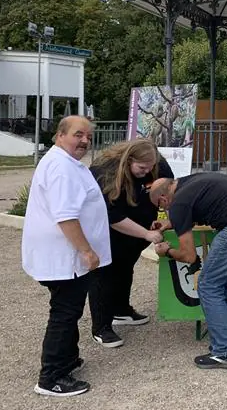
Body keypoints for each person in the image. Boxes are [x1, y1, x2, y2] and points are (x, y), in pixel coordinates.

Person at [21, 116, 111, 397]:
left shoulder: (65, 162)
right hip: (65, 256)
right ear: (60, 135)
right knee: (64, 313)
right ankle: (51, 377)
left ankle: (67, 360)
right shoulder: (61, 167)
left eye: (88, 137)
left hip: (65, 255)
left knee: (68, 309)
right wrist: (86, 250)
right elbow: (66, 216)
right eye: (78, 135)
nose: (84, 141)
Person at [149, 172, 227, 369]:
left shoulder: (178, 203)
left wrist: (167, 251)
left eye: (160, 206)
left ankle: (225, 351)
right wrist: (170, 224)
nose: (164, 209)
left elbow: (189, 256)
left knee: (207, 284)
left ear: (163, 198)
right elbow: (195, 208)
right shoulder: (187, 183)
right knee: (220, 280)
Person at [86, 139, 173, 348]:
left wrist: (162, 218)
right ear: (128, 160)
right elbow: (112, 215)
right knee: (104, 274)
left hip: (137, 231)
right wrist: (145, 234)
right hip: (109, 230)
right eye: (142, 168)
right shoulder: (104, 171)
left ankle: (121, 310)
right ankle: (101, 327)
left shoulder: (157, 163)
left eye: (151, 167)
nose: (148, 172)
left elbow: (167, 191)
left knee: (125, 268)